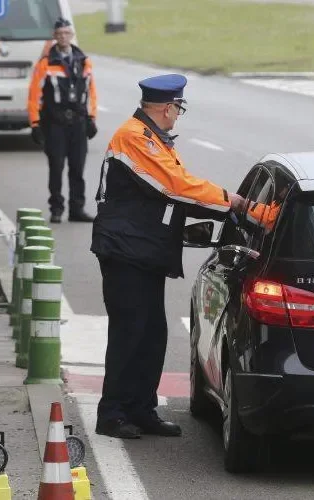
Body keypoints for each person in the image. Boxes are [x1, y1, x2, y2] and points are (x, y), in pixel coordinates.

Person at [90, 74, 245, 439]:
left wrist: (223, 208)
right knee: (130, 333)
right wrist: (232, 202)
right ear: (166, 107)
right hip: (126, 252)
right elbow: (176, 188)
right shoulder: (135, 138)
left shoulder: (153, 138)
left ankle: (141, 409)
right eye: (178, 108)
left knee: (151, 334)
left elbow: (176, 191)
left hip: (143, 251)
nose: (178, 114)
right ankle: (112, 413)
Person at [27, 18, 98, 223]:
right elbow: (34, 95)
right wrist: (35, 123)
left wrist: (91, 118)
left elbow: (92, 92)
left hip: (78, 123)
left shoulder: (83, 60)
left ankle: (77, 209)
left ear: (71, 35)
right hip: (55, 124)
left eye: (66, 33)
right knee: (56, 167)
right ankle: (56, 209)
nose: (63, 37)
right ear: (54, 37)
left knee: (77, 168)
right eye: (59, 34)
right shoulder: (46, 63)